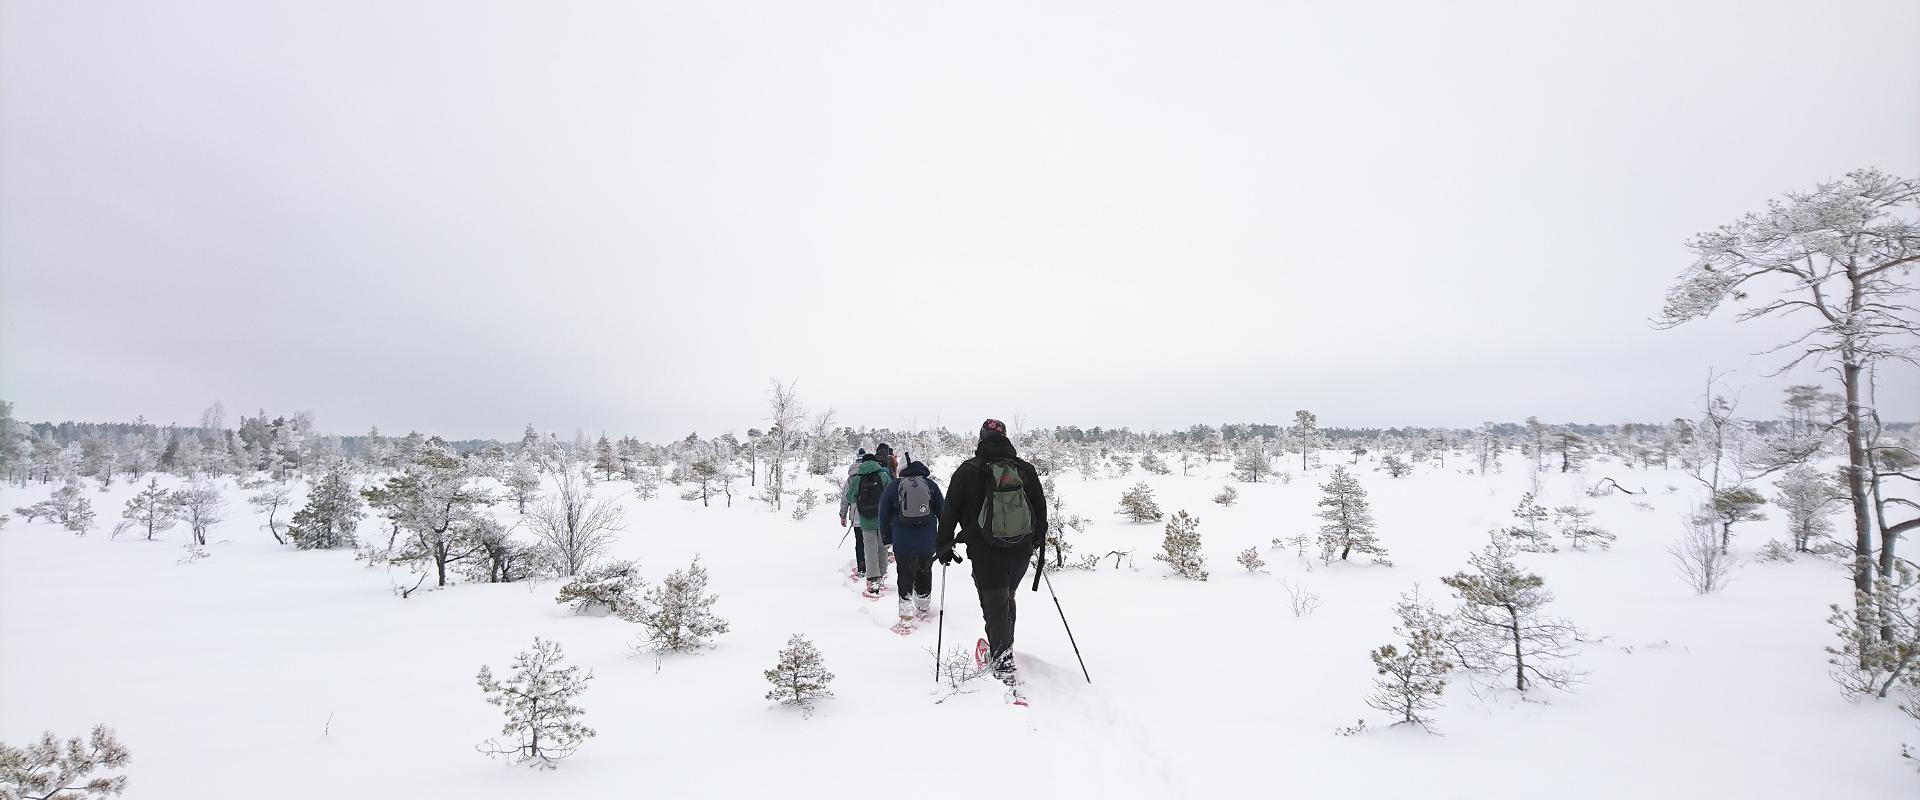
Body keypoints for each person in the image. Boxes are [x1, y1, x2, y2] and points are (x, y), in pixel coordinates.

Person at [936, 419, 1047, 683]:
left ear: (981, 439)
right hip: (1020, 550)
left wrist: (943, 544)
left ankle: (1003, 663)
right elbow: (1039, 509)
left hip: (985, 552)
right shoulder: (1025, 470)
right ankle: (1004, 649)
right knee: (1007, 598)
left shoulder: (967, 471)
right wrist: (1035, 541)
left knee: (995, 605)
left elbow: (949, 510)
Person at [877, 460, 943, 628]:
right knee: (924, 571)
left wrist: (886, 538)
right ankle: (923, 606)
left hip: (903, 541)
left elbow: (883, 513)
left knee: (905, 575)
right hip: (928, 541)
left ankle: (906, 616)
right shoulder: (931, 485)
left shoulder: (894, 486)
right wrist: (942, 537)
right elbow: (943, 512)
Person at [843, 451, 893, 597]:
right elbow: (891, 495)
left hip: (865, 519)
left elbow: (850, 496)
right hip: (882, 518)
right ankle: (882, 576)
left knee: (870, 549)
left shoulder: (858, 478)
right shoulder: (883, 475)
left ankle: (873, 580)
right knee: (883, 547)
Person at [838, 450, 869, 581]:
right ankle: (872, 568)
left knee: (860, 542)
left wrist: (843, 515)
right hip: (873, 515)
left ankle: (862, 568)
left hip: (856, 515)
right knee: (871, 542)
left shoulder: (852, 477)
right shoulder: (873, 473)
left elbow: (846, 497)